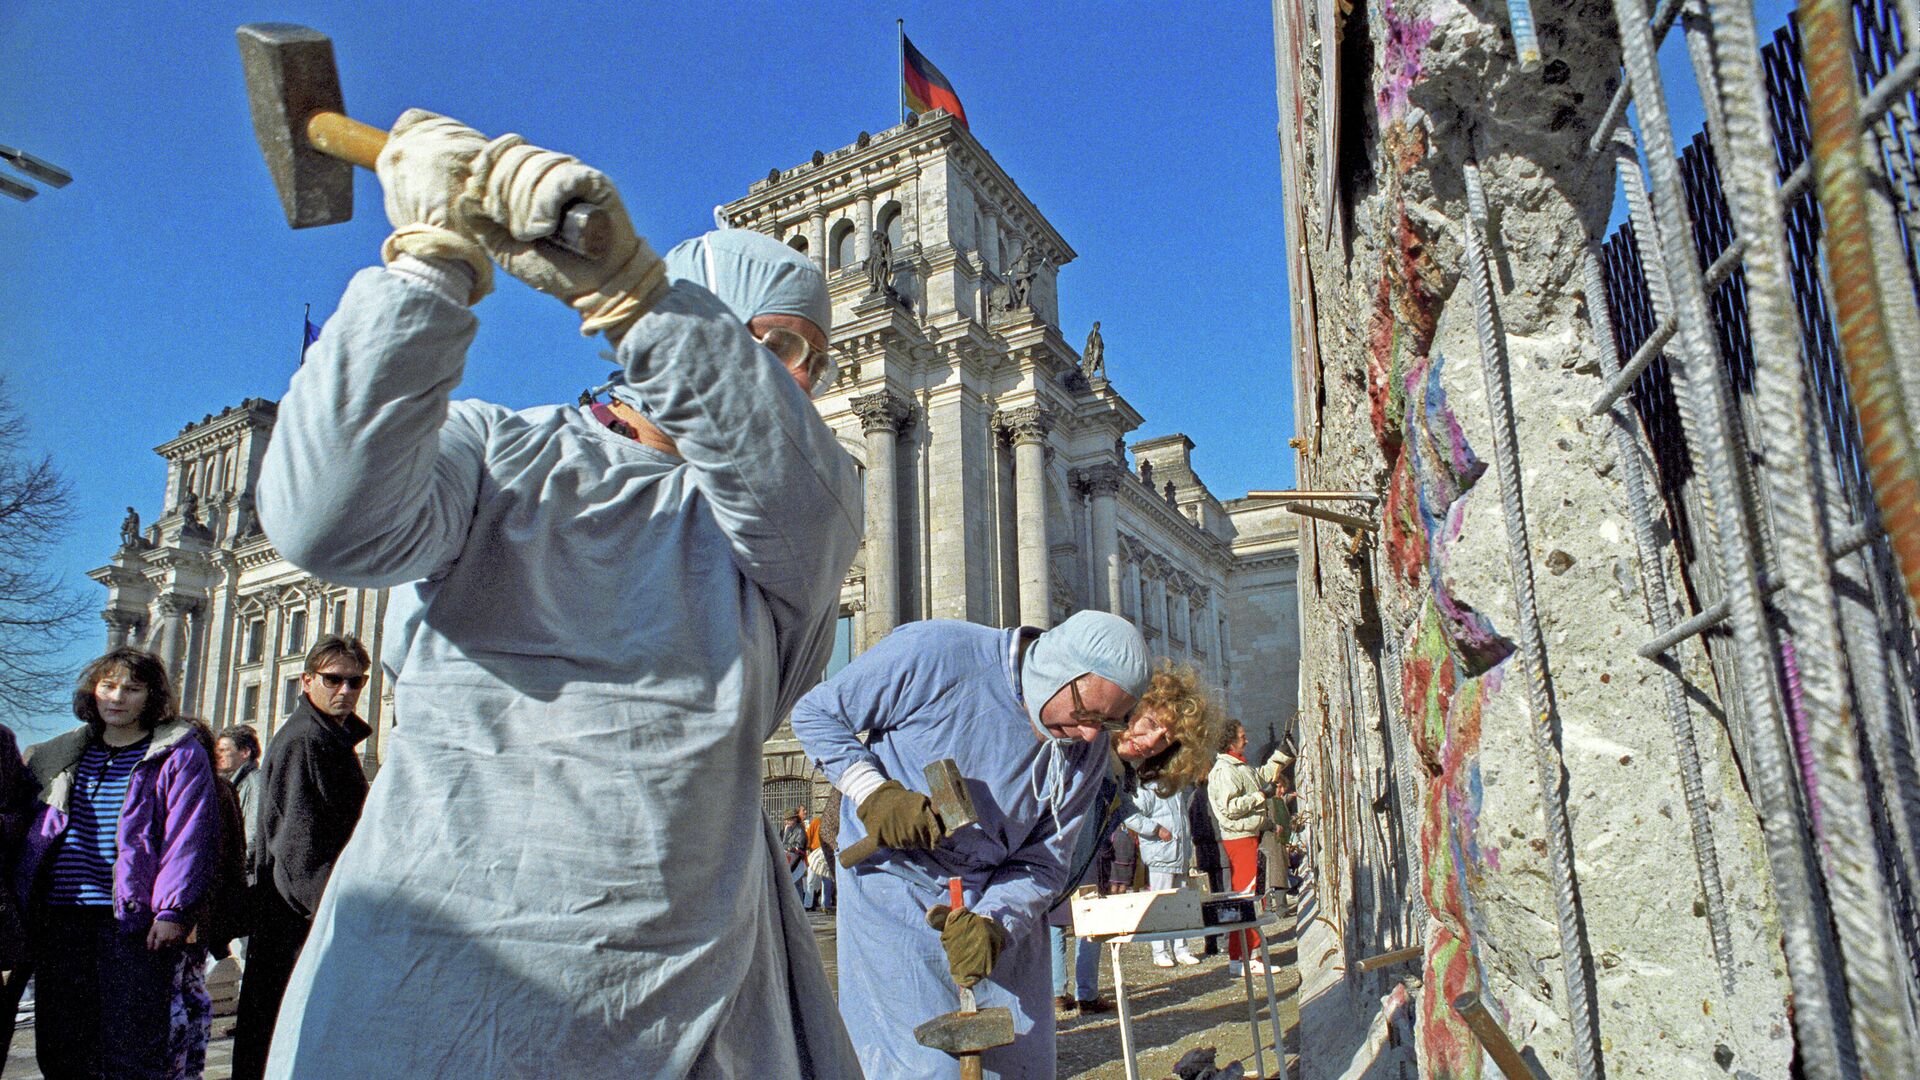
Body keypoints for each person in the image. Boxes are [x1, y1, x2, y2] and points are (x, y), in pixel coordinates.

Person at [250, 110, 862, 1078]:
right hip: (439, 962)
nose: (772, 377)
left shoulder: (800, 511)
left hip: (685, 989)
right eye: (763, 345)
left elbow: (778, 469)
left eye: (797, 357)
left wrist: (637, 292)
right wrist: (429, 265)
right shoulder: (497, 448)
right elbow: (326, 523)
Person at [790, 610, 1153, 1078]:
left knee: (1018, 1064)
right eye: (1085, 712)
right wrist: (875, 793)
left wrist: (994, 923)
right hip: (897, 889)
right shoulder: (936, 652)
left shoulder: (1086, 752)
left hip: (993, 901)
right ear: (1060, 665)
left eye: (1107, 723)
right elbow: (817, 713)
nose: (1087, 732)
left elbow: (1045, 863)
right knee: (921, 1065)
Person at [15, 648, 219, 1079]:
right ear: (93, 691)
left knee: (131, 1049)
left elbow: (189, 837)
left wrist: (171, 911)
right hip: (61, 917)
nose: (117, 697)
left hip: (130, 921)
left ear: (151, 696)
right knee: (62, 1045)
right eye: (108, 685)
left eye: (132, 688)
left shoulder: (177, 755)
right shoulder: (65, 755)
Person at [230, 636, 374, 1080]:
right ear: (307, 680)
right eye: (333, 679)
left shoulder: (325, 736)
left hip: (297, 919)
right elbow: (300, 846)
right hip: (298, 924)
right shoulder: (307, 741)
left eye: (356, 681)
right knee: (283, 1042)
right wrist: (335, 917)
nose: (346, 690)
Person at [1051, 661, 1220, 1010]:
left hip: (1066, 879)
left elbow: (1120, 807)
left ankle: (1077, 992)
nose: (1151, 742)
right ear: (1130, 708)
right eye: (1151, 724)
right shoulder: (1082, 748)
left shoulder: (1118, 770)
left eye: (1166, 741)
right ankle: (1067, 991)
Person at [1207, 720, 1273, 976]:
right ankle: (1247, 956)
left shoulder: (1239, 765)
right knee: (1246, 898)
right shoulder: (1225, 770)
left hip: (1248, 835)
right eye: (1242, 737)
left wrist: (1281, 756)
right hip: (1239, 837)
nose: (1247, 740)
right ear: (1230, 740)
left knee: (1245, 897)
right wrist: (1260, 797)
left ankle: (1242, 956)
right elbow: (1229, 808)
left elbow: (1261, 778)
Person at [1186, 772, 1227, 955]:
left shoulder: (1192, 797)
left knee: (1207, 898)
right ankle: (1225, 937)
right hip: (1218, 847)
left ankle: (1210, 941)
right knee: (1223, 894)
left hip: (1202, 850)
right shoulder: (1215, 793)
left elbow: (1191, 824)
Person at [215, 726, 263, 867]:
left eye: (224, 750)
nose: (218, 755)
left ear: (245, 752)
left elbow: (252, 834)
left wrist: (235, 867)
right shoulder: (230, 783)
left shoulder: (255, 784)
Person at [782, 808, 810, 904]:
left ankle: (800, 906)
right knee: (792, 883)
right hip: (790, 859)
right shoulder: (788, 830)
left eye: (789, 819)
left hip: (798, 860)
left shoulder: (800, 830)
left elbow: (799, 845)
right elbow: (783, 843)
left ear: (794, 819)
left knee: (797, 883)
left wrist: (790, 848)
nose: (787, 821)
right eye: (786, 820)